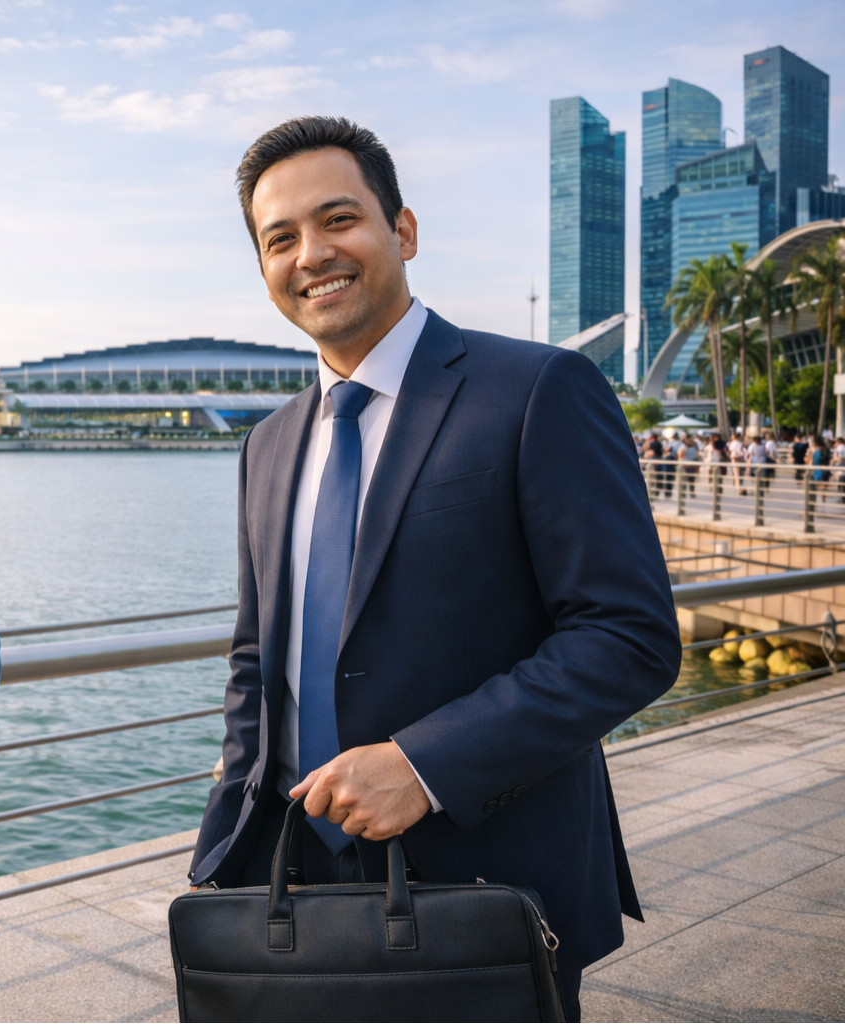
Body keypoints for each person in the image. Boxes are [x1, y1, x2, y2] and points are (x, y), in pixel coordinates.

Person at [186, 117, 679, 1022]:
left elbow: (629, 637)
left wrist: (423, 764)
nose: (312, 255)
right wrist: (224, 854)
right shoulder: (268, 444)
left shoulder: (536, 391)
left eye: (339, 220)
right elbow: (257, 664)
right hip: (293, 883)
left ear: (402, 231)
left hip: (485, 887)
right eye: (280, 238)